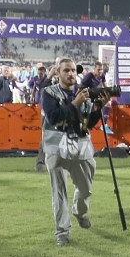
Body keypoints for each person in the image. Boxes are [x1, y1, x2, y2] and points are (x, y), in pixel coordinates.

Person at [40, 57, 107, 246]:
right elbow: (53, 117)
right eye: (66, 71)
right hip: (55, 146)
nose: (70, 74)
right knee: (59, 190)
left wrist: (98, 108)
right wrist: (75, 103)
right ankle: (62, 231)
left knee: (86, 188)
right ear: (58, 74)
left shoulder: (82, 93)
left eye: (73, 71)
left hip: (80, 145)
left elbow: (87, 124)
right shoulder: (49, 93)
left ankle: (79, 212)